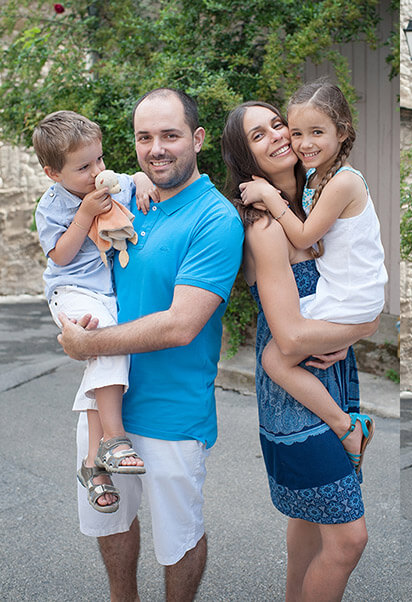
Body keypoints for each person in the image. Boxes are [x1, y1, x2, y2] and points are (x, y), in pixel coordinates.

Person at [58, 88, 244, 600]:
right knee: (111, 519)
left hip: (173, 412)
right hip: (107, 402)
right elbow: (63, 220)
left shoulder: (215, 218)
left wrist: (87, 345)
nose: (156, 148)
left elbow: (181, 325)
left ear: (198, 139)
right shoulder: (126, 203)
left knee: (178, 537)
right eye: (145, 138)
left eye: (170, 135)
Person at [221, 100, 378, 601]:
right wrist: (365, 325)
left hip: (330, 374)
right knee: (350, 539)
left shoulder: (313, 203)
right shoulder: (266, 228)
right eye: (258, 136)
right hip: (296, 398)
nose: (277, 136)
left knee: (310, 524)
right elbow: (287, 339)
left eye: (276, 125)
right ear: (245, 160)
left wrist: (356, 330)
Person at [238, 81, 387, 473]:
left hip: (352, 297)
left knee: (275, 357)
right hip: (349, 298)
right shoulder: (317, 181)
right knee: (279, 353)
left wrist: (269, 197)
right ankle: (348, 426)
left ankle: (346, 427)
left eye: (316, 132)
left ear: (342, 132)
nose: (302, 142)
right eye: (297, 131)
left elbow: (304, 236)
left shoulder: (340, 182)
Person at [32, 110, 155, 514]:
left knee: (103, 356)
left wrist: (139, 180)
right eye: (84, 167)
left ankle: (92, 466)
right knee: (105, 337)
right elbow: (62, 257)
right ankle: (114, 439)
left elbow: (132, 181)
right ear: (53, 173)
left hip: (107, 293)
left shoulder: (107, 182)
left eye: (99, 160)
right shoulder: (51, 207)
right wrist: (84, 213)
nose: (97, 171)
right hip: (71, 292)